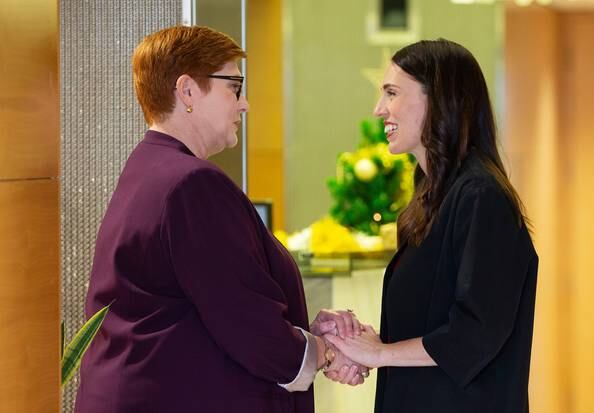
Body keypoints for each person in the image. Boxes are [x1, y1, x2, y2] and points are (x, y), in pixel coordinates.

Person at [74, 25, 368, 413]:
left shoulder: (150, 168)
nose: (244, 104)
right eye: (234, 86)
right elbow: (247, 323)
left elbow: (208, 312)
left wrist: (306, 337)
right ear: (188, 91)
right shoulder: (191, 183)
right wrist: (327, 352)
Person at [325, 39, 539, 413]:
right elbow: (432, 324)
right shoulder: (430, 196)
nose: (379, 110)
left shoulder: (480, 197)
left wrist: (382, 353)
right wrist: (372, 346)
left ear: (438, 100)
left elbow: (475, 333)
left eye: (392, 93)